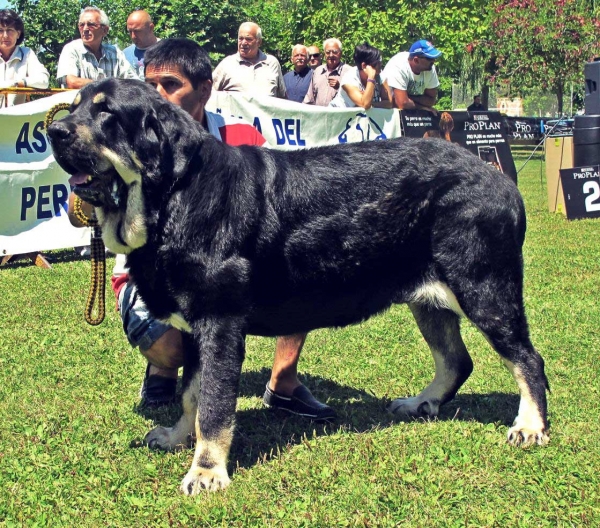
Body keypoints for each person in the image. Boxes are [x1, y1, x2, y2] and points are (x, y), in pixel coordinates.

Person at [69, 38, 334, 421]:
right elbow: (74, 212)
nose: (158, 96)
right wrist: (94, 197)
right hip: (147, 278)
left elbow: (280, 206)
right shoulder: (122, 141)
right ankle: (162, 368)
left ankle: (283, 381)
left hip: (223, 273)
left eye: (171, 85)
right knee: (176, 342)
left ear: (205, 90)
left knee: (293, 257)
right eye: (150, 86)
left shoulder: (242, 138)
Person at [56, 6, 137, 89]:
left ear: (105, 30)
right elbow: (72, 83)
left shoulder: (115, 53)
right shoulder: (71, 49)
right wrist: (108, 86)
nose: (85, 29)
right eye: (81, 25)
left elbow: (134, 83)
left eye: (91, 24)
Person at [212, 22, 286, 98]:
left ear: (259, 42)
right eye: (240, 38)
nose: (243, 43)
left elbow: (282, 99)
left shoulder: (272, 63)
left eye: (248, 39)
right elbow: (207, 93)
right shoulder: (227, 65)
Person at [0, 9, 49, 107]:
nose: (5, 36)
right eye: (0, 30)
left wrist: (17, 83)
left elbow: (43, 81)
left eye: (9, 30)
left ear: (18, 33)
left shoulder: (27, 53)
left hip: (15, 118)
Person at [381, 39, 442, 114]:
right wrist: (422, 108)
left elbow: (431, 100)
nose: (433, 61)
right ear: (416, 60)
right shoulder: (399, 65)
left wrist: (408, 97)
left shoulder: (430, 68)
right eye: (429, 58)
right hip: (387, 115)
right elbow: (402, 104)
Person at [329, 42, 392, 110]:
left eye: (380, 61)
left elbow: (389, 103)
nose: (380, 65)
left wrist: (371, 103)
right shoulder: (349, 78)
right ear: (364, 66)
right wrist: (371, 78)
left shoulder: (380, 75)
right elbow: (365, 104)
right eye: (376, 63)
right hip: (339, 115)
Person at [303, 38, 352, 106]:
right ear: (324, 54)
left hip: (339, 115)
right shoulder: (318, 71)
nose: (331, 55)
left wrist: (340, 87)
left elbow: (355, 98)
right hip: (319, 115)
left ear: (340, 53)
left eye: (334, 52)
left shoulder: (349, 72)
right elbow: (309, 98)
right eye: (328, 52)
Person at [123, 9, 159, 80]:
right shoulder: (124, 55)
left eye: (137, 31)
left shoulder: (167, 51)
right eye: (130, 31)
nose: (133, 36)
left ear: (151, 28)